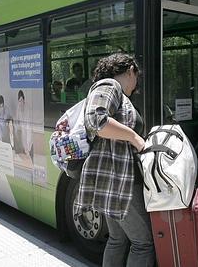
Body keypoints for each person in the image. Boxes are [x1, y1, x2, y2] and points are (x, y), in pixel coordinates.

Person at [74, 53, 154, 267]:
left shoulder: (115, 92)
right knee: (143, 243)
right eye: (137, 76)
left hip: (110, 179)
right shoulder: (109, 86)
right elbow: (96, 121)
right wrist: (136, 137)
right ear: (130, 70)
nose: (137, 83)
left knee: (118, 239)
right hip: (119, 181)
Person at [14, 90, 33, 158]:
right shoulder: (18, 107)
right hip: (22, 126)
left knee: (28, 138)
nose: (20, 102)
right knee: (23, 138)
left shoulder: (27, 107)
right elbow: (17, 118)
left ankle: (29, 150)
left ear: (24, 99)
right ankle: (26, 151)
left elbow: (28, 121)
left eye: (22, 100)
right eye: (19, 101)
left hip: (28, 126)